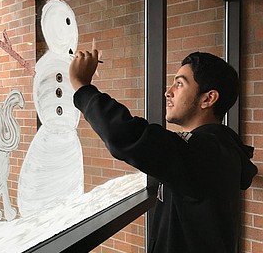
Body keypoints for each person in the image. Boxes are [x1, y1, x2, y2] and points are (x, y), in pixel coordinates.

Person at [69, 50, 258, 253]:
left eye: (180, 83)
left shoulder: (207, 152)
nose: (168, 92)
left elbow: (128, 136)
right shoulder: (218, 148)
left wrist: (82, 87)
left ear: (208, 98)